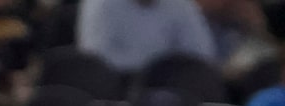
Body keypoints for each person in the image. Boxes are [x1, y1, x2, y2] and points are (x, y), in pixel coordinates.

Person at [76, 0, 217, 73]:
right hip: (116, 87)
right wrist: (153, 67)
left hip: (169, 88)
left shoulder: (180, 5)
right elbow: (94, 58)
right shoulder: (101, 4)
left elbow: (202, 56)